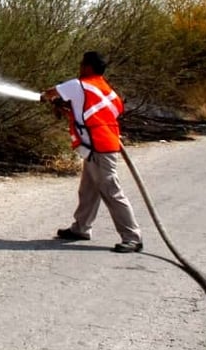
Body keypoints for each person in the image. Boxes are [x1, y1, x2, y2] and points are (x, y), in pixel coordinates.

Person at [40, 51, 143, 253]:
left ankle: (132, 237)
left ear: (88, 66)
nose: (79, 67)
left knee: (111, 192)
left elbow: (50, 93)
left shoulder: (78, 84)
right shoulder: (108, 91)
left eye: (81, 64)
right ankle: (81, 228)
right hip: (101, 146)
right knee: (88, 189)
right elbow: (104, 113)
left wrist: (45, 98)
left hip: (99, 148)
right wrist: (70, 109)